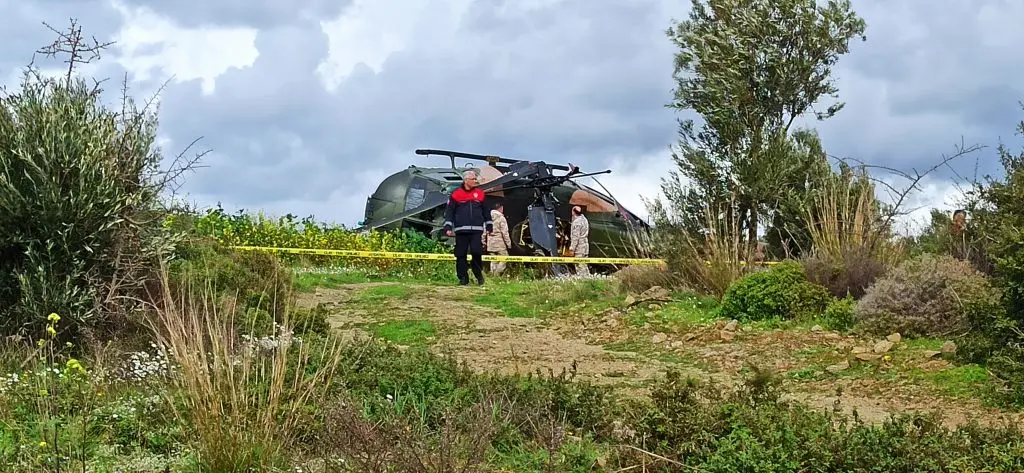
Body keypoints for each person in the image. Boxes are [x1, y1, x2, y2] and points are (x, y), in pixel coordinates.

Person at [443, 170, 493, 285]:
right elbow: (449, 212)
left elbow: (486, 211)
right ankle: (463, 278)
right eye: (473, 179)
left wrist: (489, 225)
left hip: (477, 230)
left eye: (475, 179)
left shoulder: (480, 194)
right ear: (466, 180)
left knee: (476, 252)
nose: (475, 181)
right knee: (460, 254)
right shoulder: (456, 194)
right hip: (461, 230)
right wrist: (448, 227)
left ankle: (478, 276)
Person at [483, 202, 512, 275]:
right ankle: (497, 274)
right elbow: (505, 232)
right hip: (500, 244)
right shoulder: (501, 218)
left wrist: (483, 242)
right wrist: (509, 244)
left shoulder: (487, 218)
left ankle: (492, 275)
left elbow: (484, 232)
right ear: (500, 208)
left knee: (493, 260)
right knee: (505, 258)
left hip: (490, 243)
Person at [567, 205, 590, 276]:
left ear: (573, 212)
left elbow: (575, 237)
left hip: (579, 247)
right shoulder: (584, 219)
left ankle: (583, 281)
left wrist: (572, 248)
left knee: (579, 265)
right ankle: (588, 279)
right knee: (584, 265)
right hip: (585, 246)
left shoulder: (576, 223)